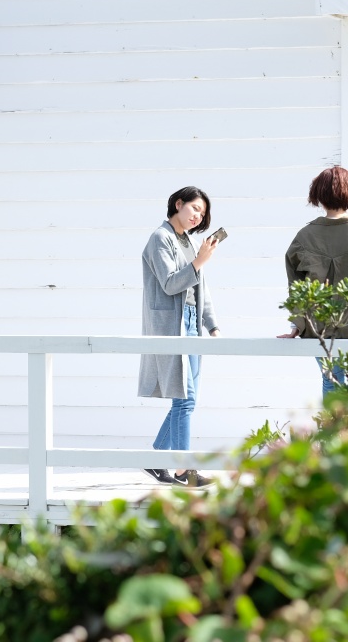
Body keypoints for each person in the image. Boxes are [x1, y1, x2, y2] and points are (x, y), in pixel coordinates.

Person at [278, 166, 348, 395]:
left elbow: (296, 287)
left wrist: (296, 326)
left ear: (318, 196)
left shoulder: (304, 236)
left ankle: (332, 430)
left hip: (320, 328)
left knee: (331, 382)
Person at [139, 186, 220, 488]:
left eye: (202, 214)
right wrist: (199, 261)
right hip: (170, 325)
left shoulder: (190, 242)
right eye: (195, 209)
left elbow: (201, 289)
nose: (198, 217)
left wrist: (213, 325)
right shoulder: (160, 239)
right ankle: (185, 469)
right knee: (185, 400)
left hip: (191, 323)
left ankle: (155, 459)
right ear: (178, 204)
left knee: (185, 400)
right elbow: (171, 284)